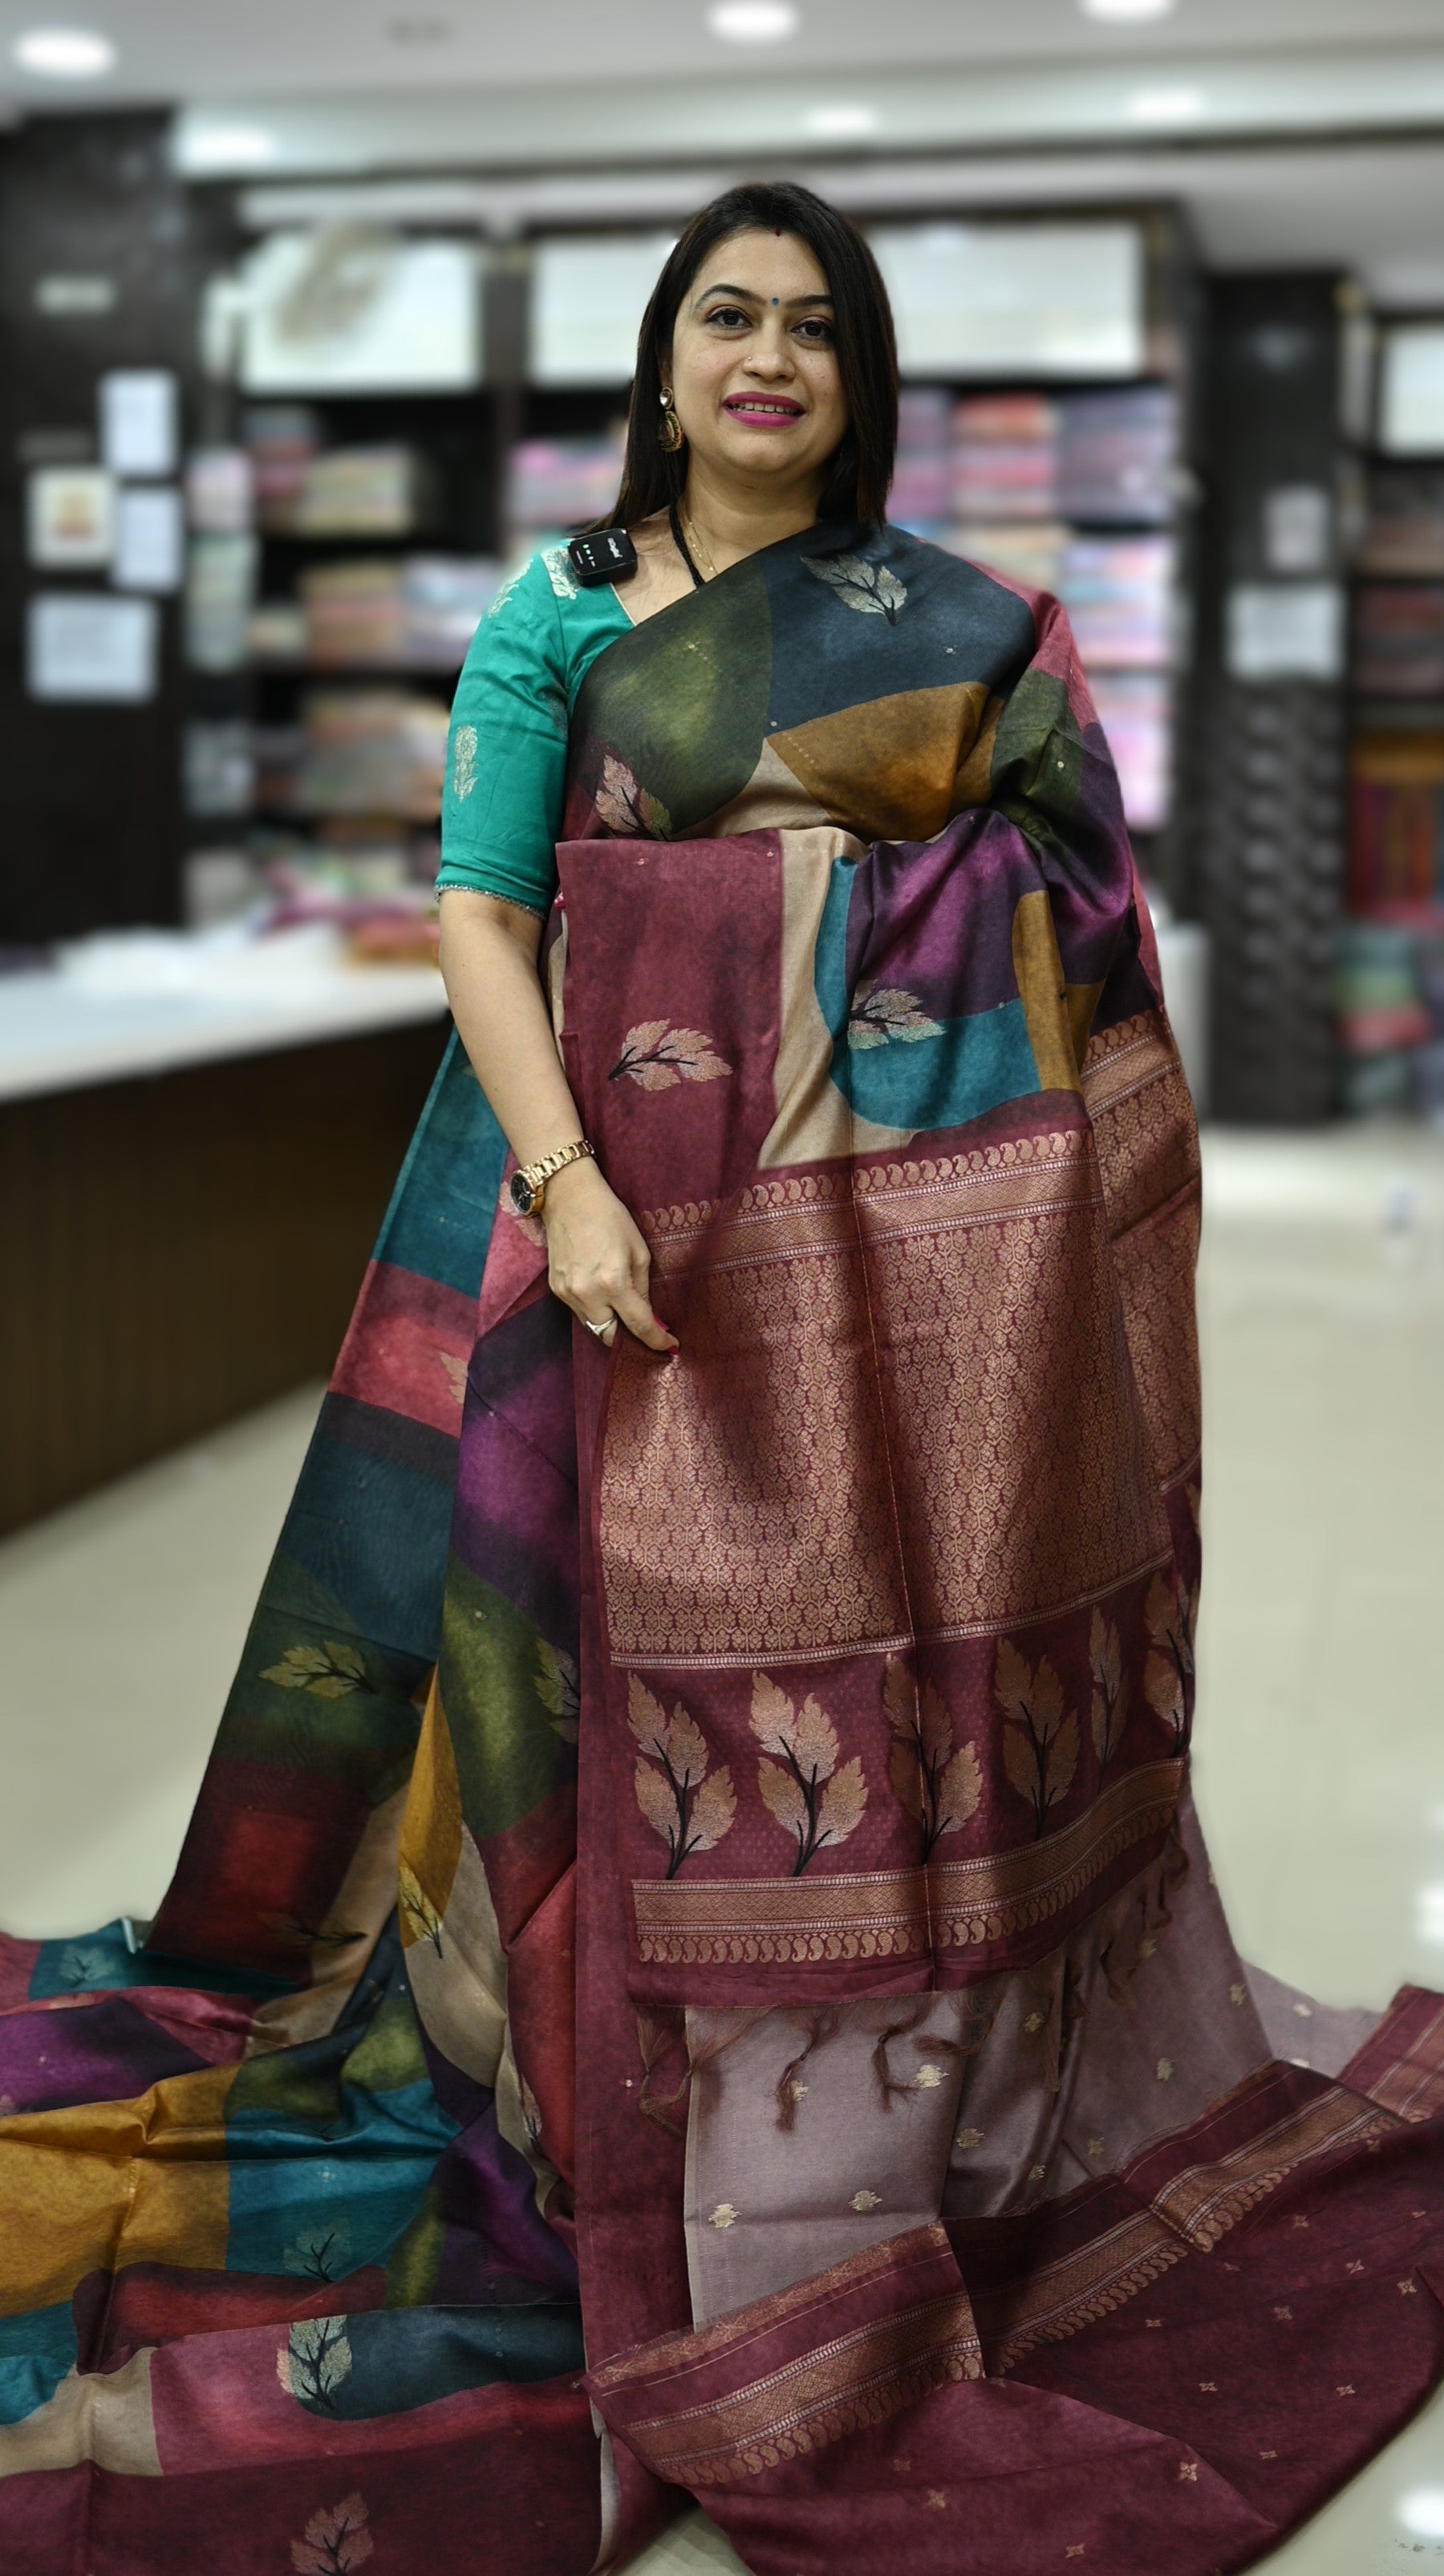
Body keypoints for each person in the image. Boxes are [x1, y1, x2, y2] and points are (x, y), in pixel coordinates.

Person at [0, 182, 1439, 2576]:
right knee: (584, 1679)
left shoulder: (958, 629)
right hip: (618, 1241)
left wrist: (872, 937)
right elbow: (487, 918)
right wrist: (570, 1182)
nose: (768, 357)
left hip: (909, 1276)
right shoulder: (560, 617)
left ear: (858, 378)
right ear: (664, 363)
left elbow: (1082, 893)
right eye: (726, 318)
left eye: (813, 327)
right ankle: (616, 2131)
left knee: (895, 1672)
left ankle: (894, 2127)